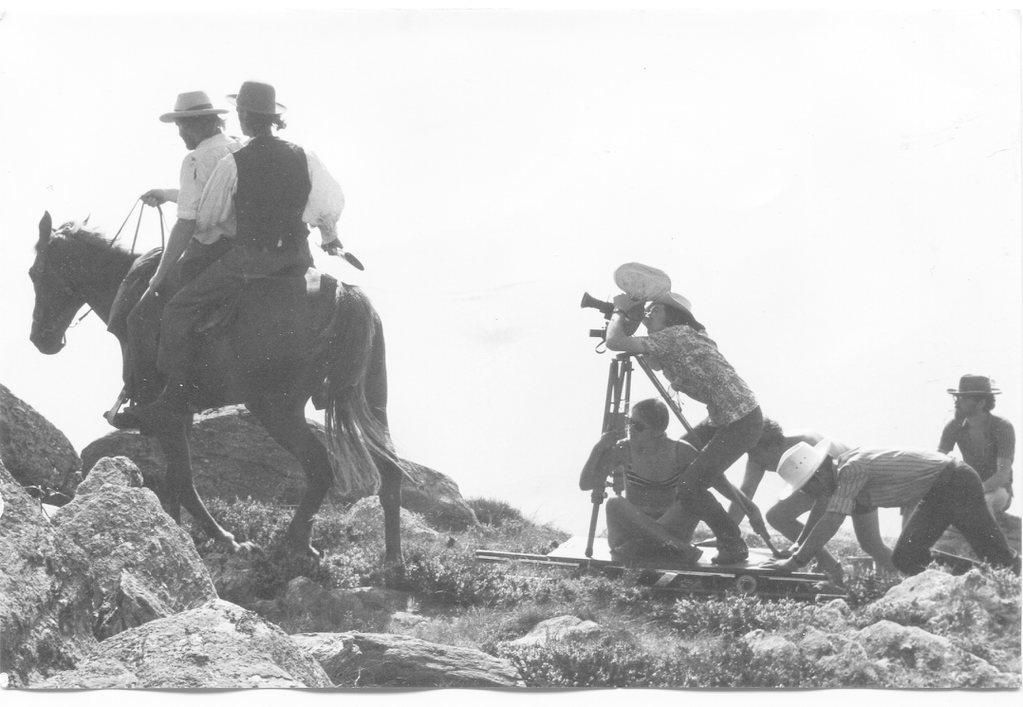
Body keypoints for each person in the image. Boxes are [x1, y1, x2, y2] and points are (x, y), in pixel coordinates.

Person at [116, 80, 346, 430]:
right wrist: (329, 234)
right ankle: (325, 380)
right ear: (273, 118)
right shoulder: (304, 154)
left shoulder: (235, 162)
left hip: (251, 259)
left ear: (242, 115)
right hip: (299, 256)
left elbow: (205, 217)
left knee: (179, 308)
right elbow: (327, 202)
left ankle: (175, 398)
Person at [604, 289, 761, 564]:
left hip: (740, 420)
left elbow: (616, 341)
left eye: (655, 310)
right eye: (648, 310)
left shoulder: (675, 335)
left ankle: (733, 543)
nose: (649, 314)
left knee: (690, 484)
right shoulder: (673, 338)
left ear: (671, 317)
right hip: (726, 417)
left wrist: (619, 312)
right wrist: (635, 317)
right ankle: (665, 527)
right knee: (677, 454)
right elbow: (645, 356)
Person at [106, 91, 243, 404]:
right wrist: (167, 194)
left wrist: (158, 278)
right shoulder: (235, 146)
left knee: (139, 318)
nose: (181, 133)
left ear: (198, 124)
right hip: (240, 249)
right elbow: (210, 196)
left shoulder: (195, 159)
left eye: (183, 126)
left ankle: (146, 400)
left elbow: (187, 223)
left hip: (208, 253)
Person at [761, 441, 1020, 576]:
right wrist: (797, 550)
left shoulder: (851, 470)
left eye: (807, 488)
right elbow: (839, 523)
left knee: (996, 555)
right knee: (906, 557)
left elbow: (832, 520)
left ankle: (987, 576)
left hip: (954, 481)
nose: (809, 495)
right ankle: (974, 579)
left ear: (818, 475)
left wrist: (796, 562)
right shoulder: (844, 473)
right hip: (941, 489)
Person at [684, 418, 895, 577]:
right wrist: (727, 533)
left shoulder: (808, 443)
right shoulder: (758, 455)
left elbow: (825, 500)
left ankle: (907, 581)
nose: (754, 462)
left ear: (774, 446)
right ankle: (830, 565)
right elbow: (745, 493)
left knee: (871, 543)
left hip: (855, 484)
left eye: (756, 456)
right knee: (776, 516)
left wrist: (799, 548)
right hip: (818, 487)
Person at [579, 398, 764, 563]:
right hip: (635, 536)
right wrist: (599, 447)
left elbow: (719, 482)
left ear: (657, 430)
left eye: (638, 426)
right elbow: (586, 483)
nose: (630, 430)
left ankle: (678, 545)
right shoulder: (623, 449)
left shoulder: (680, 451)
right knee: (614, 503)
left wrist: (749, 507)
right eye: (629, 423)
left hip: (668, 532)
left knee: (696, 494)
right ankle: (680, 549)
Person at [938, 375, 1015, 517]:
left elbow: (1002, 475)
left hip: (998, 490)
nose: (957, 403)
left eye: (964, 398)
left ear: (981, 402)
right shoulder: (954, 426)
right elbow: (937, 461)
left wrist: (973, 491)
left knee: (983, 502)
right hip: (967, 488)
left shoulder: (1002, 427)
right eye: (957, 398)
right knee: (921, 498)